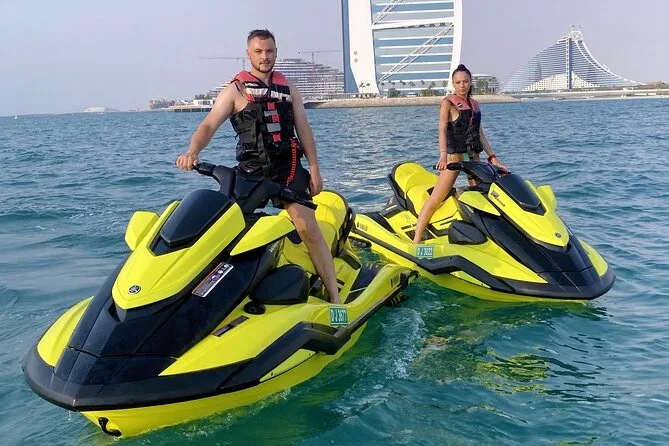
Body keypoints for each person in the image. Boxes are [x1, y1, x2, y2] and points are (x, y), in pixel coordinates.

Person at [175, 29, 341, 304]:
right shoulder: (235, 91)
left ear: (276, 53)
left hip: (288, 168)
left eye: (270, 51)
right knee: (222, 229)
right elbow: (208, 125)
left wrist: (314, 168)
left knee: (308, 229)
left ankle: (335, 297)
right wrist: (192, 151)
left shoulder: (289, 89)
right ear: (248, 54)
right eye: (259, 52)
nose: (265, 56)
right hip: (252, 171)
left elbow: (303, 129)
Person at [413, 64, 506, 244]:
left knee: (480, 197)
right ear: (453, 84)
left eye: (465, 81)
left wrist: (493, 158)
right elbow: (442, 129)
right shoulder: (448, 103)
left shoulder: (475, 105)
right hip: (454, 157)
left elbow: (480, 134)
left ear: (470, 82)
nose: (462, 85)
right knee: (436, 198)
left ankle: (487, 238)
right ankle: (416, 239)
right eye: (458, 82)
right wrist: (443, 154)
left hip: (474, 157)